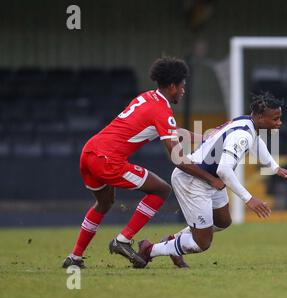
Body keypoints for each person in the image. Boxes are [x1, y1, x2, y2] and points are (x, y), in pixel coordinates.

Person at [62, 57, 224, 269]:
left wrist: (205, 137)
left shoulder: (147, 98)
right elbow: (178, 159)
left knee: (104, 203)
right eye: (182, 86)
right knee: (161, 190)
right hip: (108, 160)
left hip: (90, 152)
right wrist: (211, 179)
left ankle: (74, 256)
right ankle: (123, 240)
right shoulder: (162, 111)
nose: (183, 91)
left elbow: (171, 132)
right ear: (173, 86)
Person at [135, 92, 287, 268]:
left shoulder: (247, 122)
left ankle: (174, 241)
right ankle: (149, 249)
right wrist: (249, 200)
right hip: (193, 180)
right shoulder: (242, 135)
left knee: (223, 221)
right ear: (259, 117)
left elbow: (256, 142)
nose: (279, 123)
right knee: (201, 244)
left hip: (211, 180)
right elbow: (224, 170)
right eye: (275, 119)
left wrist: (274, 167)